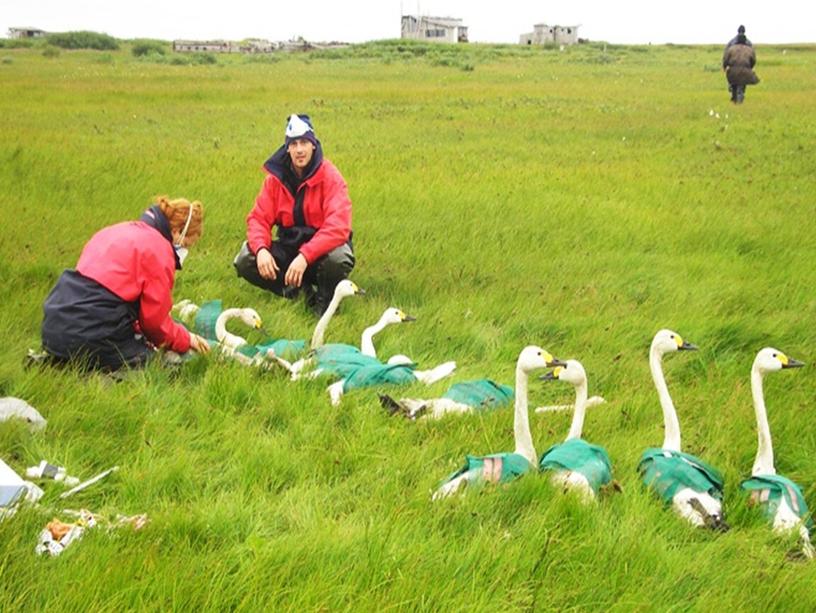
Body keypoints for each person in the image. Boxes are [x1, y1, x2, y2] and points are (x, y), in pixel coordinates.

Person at [39, 197, 211, 371]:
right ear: (176, 231)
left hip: (54, 326)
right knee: (161, 366)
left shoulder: (115, 231)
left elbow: (109, 293)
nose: (185, 250)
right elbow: (154, 323)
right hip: (92, 332)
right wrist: (187, 339)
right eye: (187, 244)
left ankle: (60, 363)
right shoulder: (159, 249)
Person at [233, 113, 355, 315]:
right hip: (289, 248)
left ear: (314, 145)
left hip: (320, 255)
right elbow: (258, 219)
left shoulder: (331, 177)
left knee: (339, 257)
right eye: (294, 144)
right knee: (245, 259)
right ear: (287, 148)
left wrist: (305, 256)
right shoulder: (274, 180)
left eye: (304, 143)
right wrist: (262, 249)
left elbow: (339, 227)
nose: (299, 150)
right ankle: (302, 297)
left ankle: (326, 302)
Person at [722, 29, 758, 104]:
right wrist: (749, 68)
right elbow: (753, 60)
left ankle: (734, 99)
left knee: (734, 85)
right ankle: (739, 102)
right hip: (745, 72)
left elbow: (725, 59)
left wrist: (724, 67)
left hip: (732, 72)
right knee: (741, 87)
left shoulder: (731, 48)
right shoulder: (749, 49)